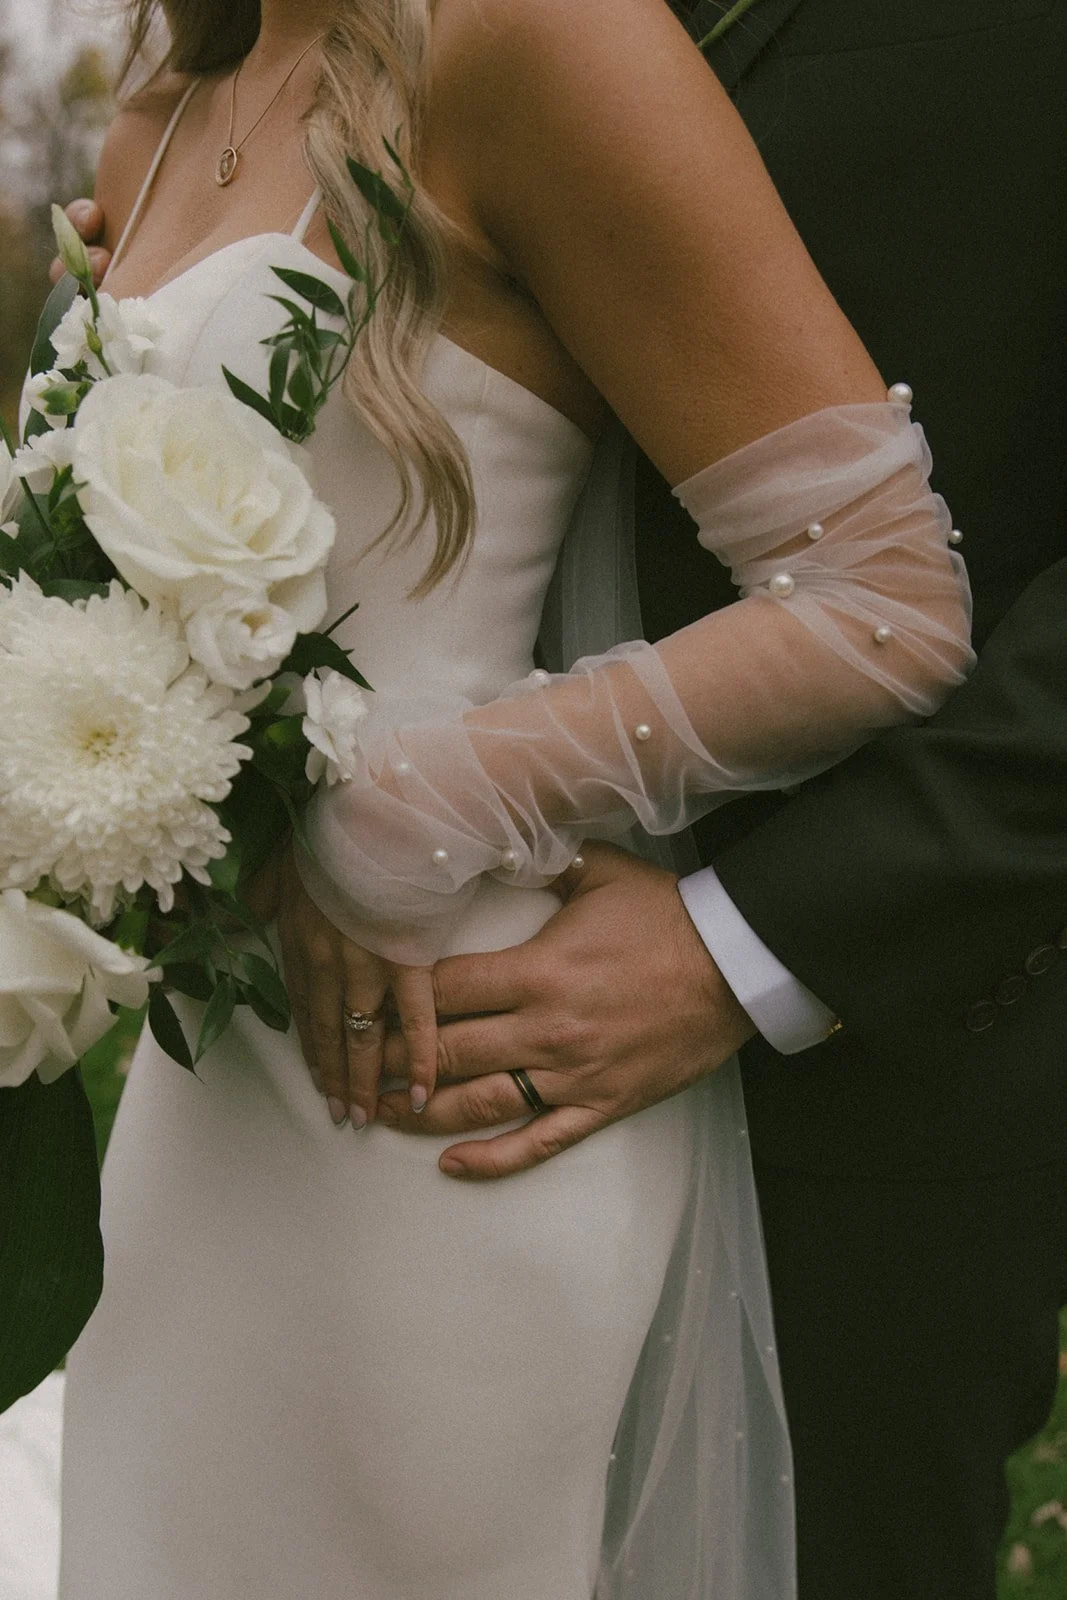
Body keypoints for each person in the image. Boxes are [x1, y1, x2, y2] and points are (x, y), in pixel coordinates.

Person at [50, 1, 971, 1596]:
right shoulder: (173, 90)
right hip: (209, 1116)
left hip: (454, 1072)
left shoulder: (537, 37)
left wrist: (384, 824)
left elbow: (877, 599)